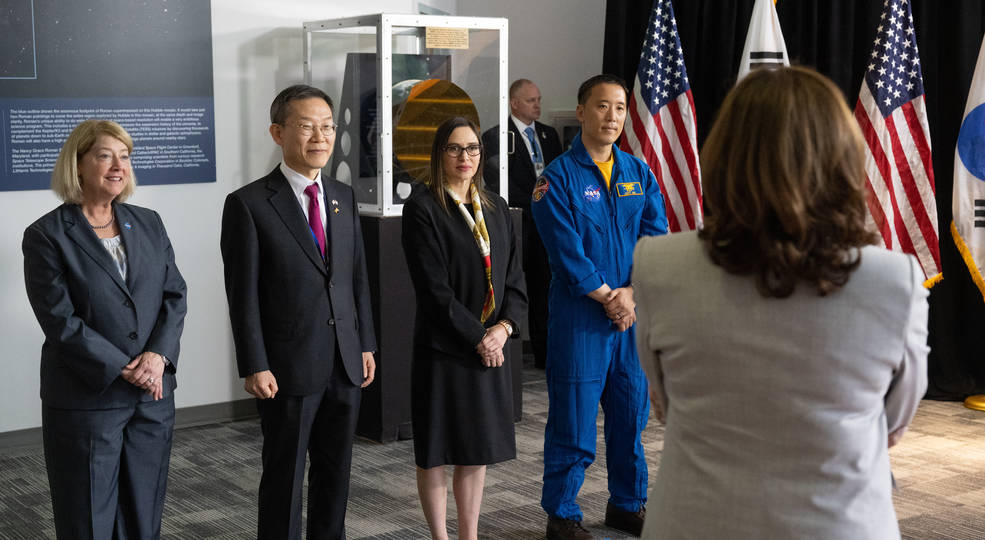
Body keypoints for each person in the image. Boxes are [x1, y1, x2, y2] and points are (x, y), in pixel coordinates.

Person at [633, 66, 929, 539]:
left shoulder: (658, 264)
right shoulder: (896, 279)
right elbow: (893, 422)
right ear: (845, 159)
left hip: (696, 520)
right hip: (839, 523)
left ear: (723, 156)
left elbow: (665, 402)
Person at [220, 84, 377, 540]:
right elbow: (242, 294)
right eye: (307, 127)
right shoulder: (248, 204)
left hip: (344, 362)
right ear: (277, 132)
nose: (320, 137)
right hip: (287, 367)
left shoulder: (343, 197)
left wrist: (365, 342)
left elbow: (355, 280)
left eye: (327, 127)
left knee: (336, 474)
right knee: (285, 478)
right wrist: (254, 363)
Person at [22, 119, 187, 539]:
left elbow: (174, 294)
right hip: (87, 399)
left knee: (143, 514)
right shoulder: (46, 235)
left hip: (152, 395)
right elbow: (60, 320)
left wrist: (156, 357)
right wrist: (123, 367)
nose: (118, 166)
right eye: (104, 155)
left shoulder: (148, 222)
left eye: (125, 156)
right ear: (77, 165)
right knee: (88, 520)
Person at [531, 75, 668, 540]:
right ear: (582, 111)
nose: (612, 117)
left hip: (630, 318)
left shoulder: (638, 172)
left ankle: (627, 504)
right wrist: (610, 297)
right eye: (603, 107)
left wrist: (631, 293)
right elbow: (566, 252)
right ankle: (563, 515)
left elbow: (655, 236)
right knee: (573, 419)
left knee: (631, 416)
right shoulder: (556, 179)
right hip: (580, 320)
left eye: (620, 108)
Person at [401, 116, 527, 540]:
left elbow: (514, 279)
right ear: (440, 154)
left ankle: (468, 536)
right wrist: (479, 338)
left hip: (491, 346)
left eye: (472, 148)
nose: (465, 157)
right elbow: (434, 291)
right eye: (454, 148)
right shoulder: (424, 207)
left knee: (476, 451)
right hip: (445, 349)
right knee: (435, 453)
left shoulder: (495, 205)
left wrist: (503, 330)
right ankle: (441, 537)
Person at [482, 78, 562, 369]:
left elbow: (558, 176)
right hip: (517, 223)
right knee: (513, 289)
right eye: (531, 100)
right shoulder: (496, 137)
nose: (538, 105)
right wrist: (536, 199)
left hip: (547, 225)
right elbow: (497, 184)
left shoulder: (550, 135)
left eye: (539, 99)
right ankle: (510, 357)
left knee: (544, 288)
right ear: (514, 103)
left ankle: (545, 354)